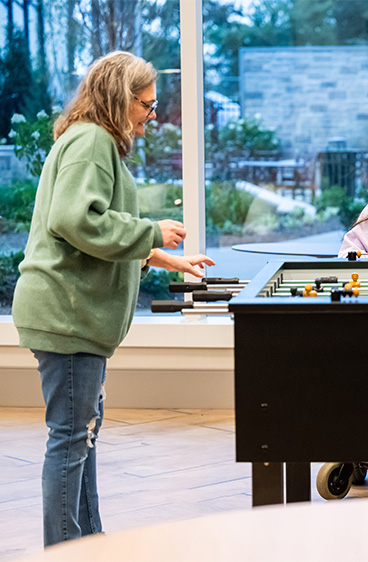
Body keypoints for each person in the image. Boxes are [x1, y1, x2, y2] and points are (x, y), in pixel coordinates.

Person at [11, 51, 215, 546]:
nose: (152, 114)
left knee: (82, 437)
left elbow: (92, 231)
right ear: (120, 99)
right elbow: (75, 220)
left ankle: (88, 541)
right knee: (71, 439)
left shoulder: (88, 139)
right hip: (67, 315)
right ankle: (64, 550)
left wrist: (164, 257)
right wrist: (152, 231)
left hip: (73, 315)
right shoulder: (92, 141)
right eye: (145, 103)